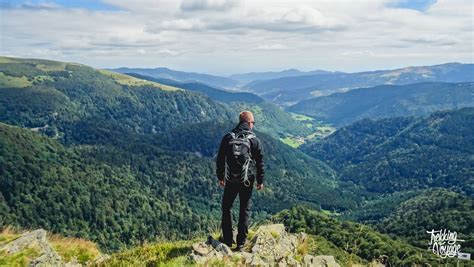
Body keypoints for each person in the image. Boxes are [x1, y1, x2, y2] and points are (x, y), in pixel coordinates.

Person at [216, 111, 265, 251]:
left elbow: (220, 159)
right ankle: (241, 243)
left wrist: (220, 177)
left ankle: (227, 239)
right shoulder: (254, 140)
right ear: (249, 123)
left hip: (230, 179)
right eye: (253, 123)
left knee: (227, 207)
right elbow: (260, 162)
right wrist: (260, 181)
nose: (253, 125)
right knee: (244, 209)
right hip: (246, 181)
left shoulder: (228, 137)